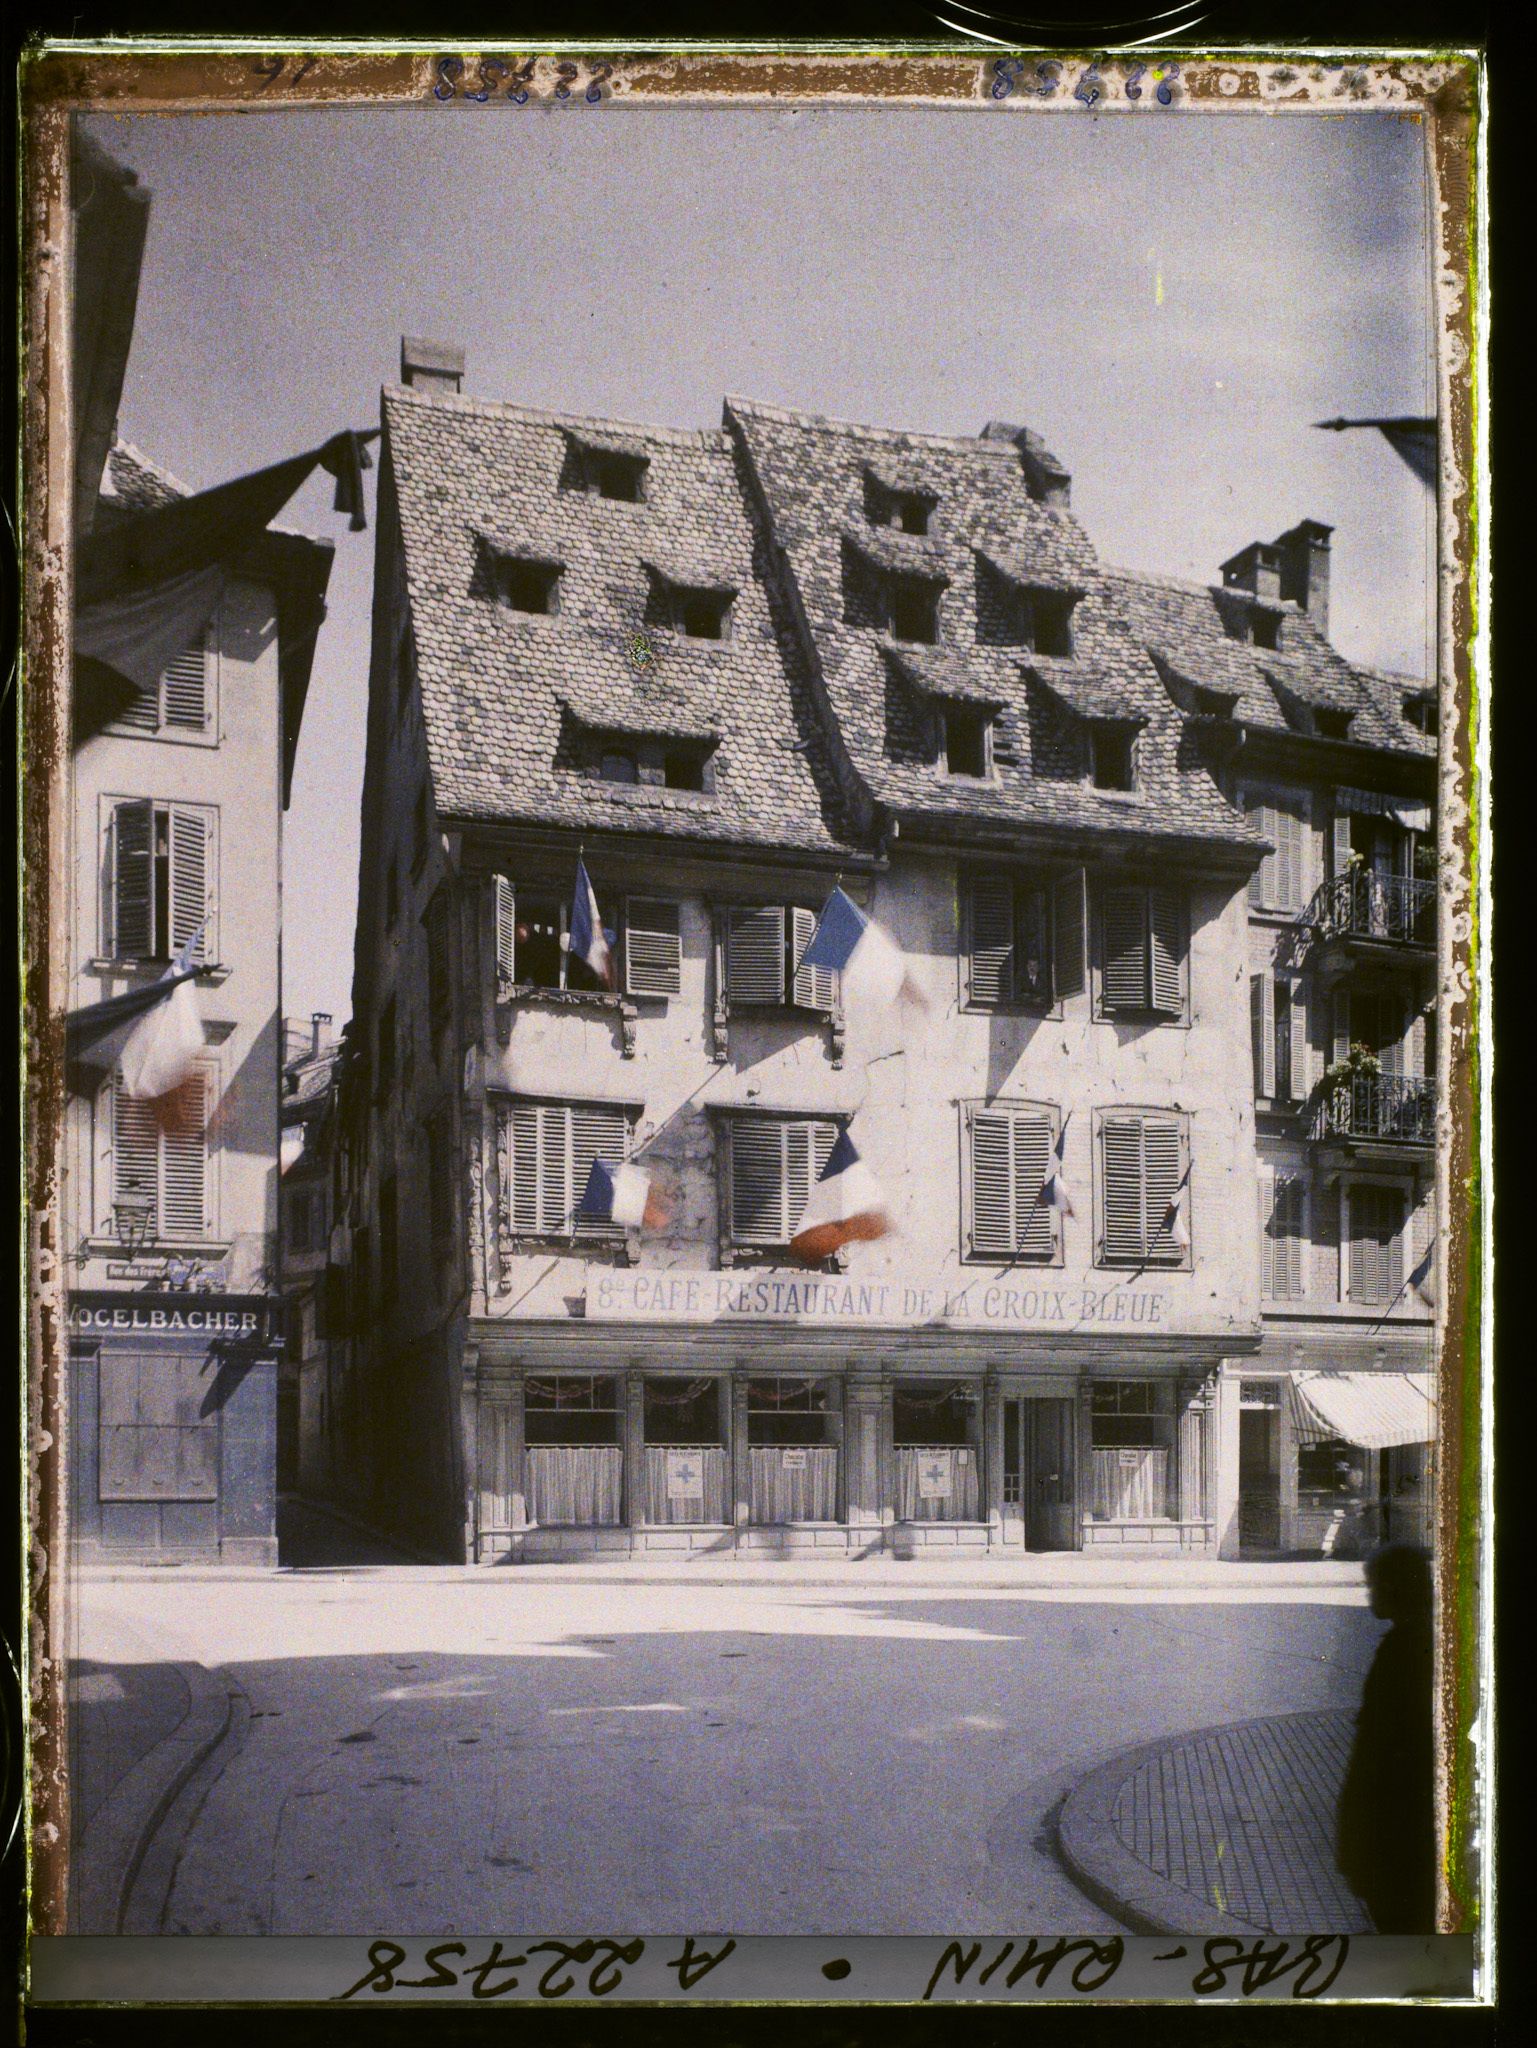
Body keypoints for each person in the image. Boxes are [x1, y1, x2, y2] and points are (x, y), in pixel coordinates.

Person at [1336, 1542, 1437, 1932]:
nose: (1369, 1595)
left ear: (1395, 1589)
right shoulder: (1417, 1642)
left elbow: (1378, 1759)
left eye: (1374, 1586)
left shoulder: (1403, 1651)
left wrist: (1358, 1841)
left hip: (1398, 1843)